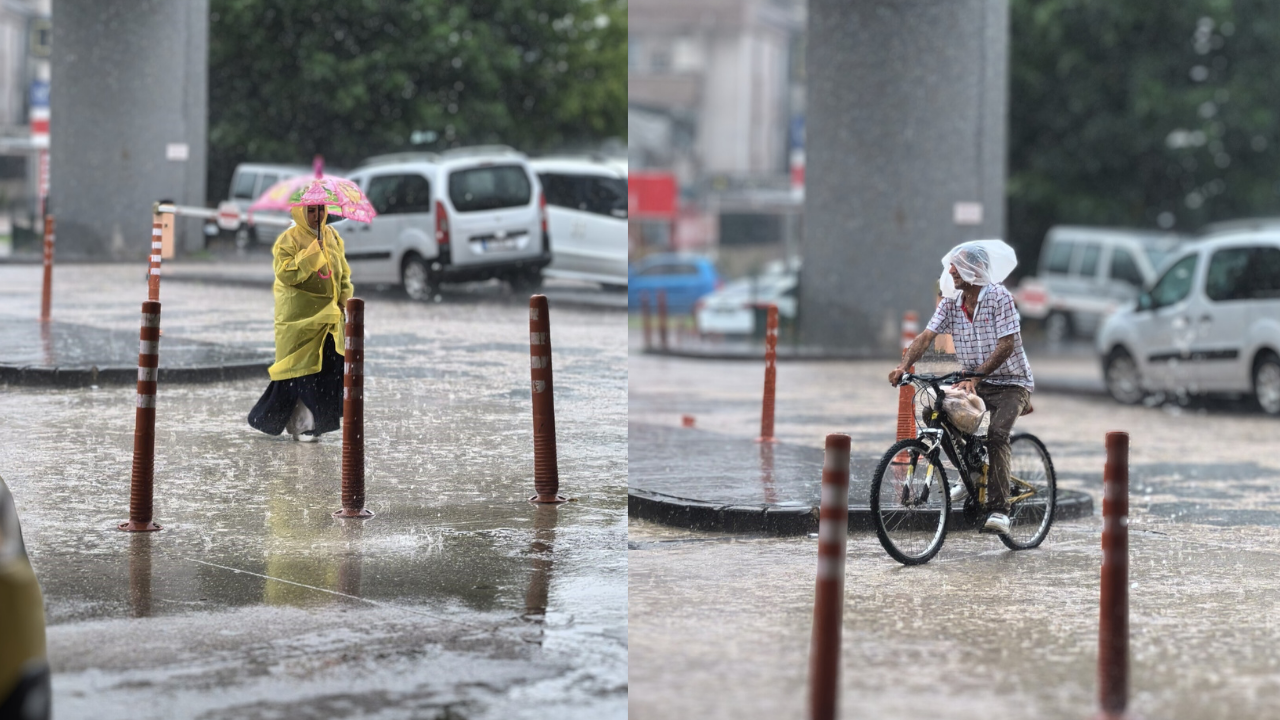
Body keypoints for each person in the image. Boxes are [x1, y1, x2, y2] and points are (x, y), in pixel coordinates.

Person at [888, 240, 1034, 535]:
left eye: (958, 265)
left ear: (977, 269)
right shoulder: (952, 301)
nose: (951, 271)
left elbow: (1006, 345)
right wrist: (904, 367)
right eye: (951, 265)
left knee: (996, 435)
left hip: (1011, 383)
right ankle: (972, 475)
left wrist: (977, 377)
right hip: (973, 381)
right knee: (938, 413)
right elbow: (927, 336)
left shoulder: (999, 297)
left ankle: (1000, 510)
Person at [248, 203, 353, 441]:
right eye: (310, 210)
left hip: (329, 318)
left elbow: (343, 275)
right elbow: (287, 273)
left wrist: (345, 301)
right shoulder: (288, 239)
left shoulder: (332, 236)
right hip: (298, 320)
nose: (316, 216)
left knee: (328, 368)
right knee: (300, 371)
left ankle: (312, 422)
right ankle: (304, 424)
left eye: (320, 210)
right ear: (300, 212)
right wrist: (312, 253)